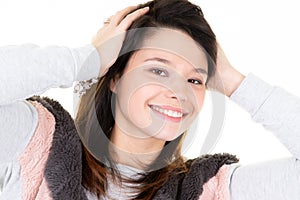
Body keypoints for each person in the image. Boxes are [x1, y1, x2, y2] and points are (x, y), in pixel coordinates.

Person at [0, 0, 299, 199]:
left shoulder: (208, 190)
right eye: (158, 70)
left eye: (194, 79)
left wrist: (234, 81)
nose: (180, 92)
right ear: (115, 77)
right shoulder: (37, 147)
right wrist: (85, 59)